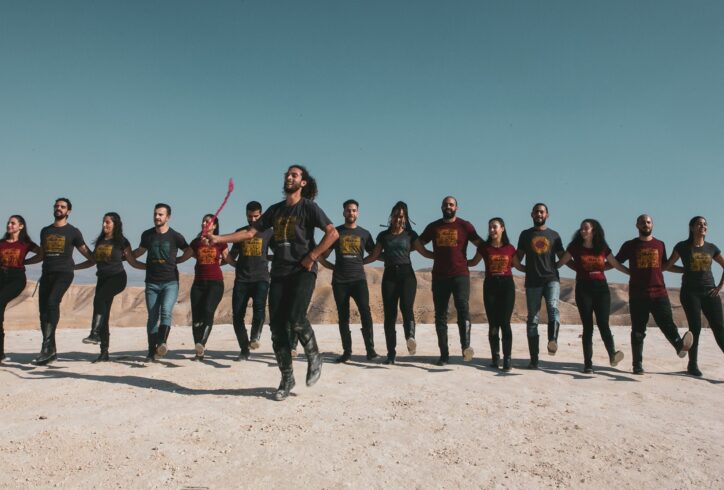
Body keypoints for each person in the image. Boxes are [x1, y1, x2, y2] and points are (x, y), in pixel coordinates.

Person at [210, 165, 338, 401]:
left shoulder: (308, 207)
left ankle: (314, 356)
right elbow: (250, 233)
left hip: (302, 271)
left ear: (303, 183)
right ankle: (286, 378)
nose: (289, 177)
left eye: (294, 175)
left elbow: (332, 233)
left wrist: (311, 256)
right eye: (287, 174)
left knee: (296, 317)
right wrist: (219, 238)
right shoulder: (275, 210)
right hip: (278, 273)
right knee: (277, 330)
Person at [615, 214, 693, 374]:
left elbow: (665, 266)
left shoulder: (660, 244)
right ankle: (637, 365)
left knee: (667, 324)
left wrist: (685, 270)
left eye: (648, 222)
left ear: (652, 225)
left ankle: (679, 347)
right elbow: (615, 261)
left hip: (659, 292)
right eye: (642, 222)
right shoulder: (630, 245)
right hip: (638, 294)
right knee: (638, 331)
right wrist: (624, 271)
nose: (646, 224)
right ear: (637, 225)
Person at [556, 219, 628, 373]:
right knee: (587, 326)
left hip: (601, 290)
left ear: (593, 231)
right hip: (583, 289)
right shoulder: (575, 247)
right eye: (581, 228)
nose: (582, 231)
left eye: (586, 228)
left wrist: (630, 273)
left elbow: (614, 264)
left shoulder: (602, 247)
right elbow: (562, 262)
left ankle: (612, 355)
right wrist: (549, 268)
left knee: (603, 324)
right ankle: (588, 363)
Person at [26, 198, 93, 365]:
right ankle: (51, 352)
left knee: (51, 303)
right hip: (46, 274)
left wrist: (76, 267)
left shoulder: (73, 232)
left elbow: (89, 255)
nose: (59, 208)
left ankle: (45, 347)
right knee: (43, 313)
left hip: (64, 274)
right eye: (56, 206)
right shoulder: (45, 231)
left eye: (62, 207)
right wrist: (24, 262)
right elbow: (41, 255)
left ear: (68, 211)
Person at [418, 196, 482, 366]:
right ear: (441, 207)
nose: (448, 207)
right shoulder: (434, 226)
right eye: (446, 204)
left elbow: (481, 244)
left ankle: (466, 347)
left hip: (460, 275)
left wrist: (474, 262)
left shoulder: (465, 225)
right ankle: (444, 354)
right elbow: (418, 244)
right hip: (439, 276)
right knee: (440, 315)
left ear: (457, 208)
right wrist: (430, 255)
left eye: (451, 204)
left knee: (463, 308)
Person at [365, 201, 431, 365]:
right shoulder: (383, 236)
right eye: (395, 215)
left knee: (406, 307)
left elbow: (423, 252)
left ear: (406, 218)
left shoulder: (410, 235)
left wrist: (444, 256)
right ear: (391, 216)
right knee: (390, 314)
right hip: (389, 276)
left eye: (401, 216)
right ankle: (391, 353)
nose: (398, 219)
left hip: (407, 274)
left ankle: (410, 337)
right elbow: (374, 255)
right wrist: (358, 262)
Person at [75, 213, 144, 362]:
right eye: (103, 222)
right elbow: (92, 260)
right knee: (103, 313)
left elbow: (132, 261)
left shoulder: (122, 242)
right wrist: (74, 267)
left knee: (99, 299)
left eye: (107, 222)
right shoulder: (100, 241)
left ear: (115, 224)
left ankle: (94, 333)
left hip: (117, 278)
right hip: (102, 278)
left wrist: (150, 267)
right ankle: (104, 351)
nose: (104, 225)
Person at [664, 216, 724, 376]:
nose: (702, 226)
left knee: (719, 328)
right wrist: (683, 270)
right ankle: (692, 365)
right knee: (695, 328)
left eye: (705, 224)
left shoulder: (712, 248)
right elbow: (667, 266)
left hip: (710, 292)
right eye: (699, 224)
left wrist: (719, 286)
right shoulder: (682, 246)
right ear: (691, 227)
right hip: (690, 293)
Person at [320, 199, 378, 363]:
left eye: (353, 210)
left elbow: (374, 253)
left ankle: (371, 350)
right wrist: (332, 267)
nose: (351, 213)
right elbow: (321, 255)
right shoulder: (336, 233)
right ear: (343, 212)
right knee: (343, 316)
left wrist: (362, 262)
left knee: (365, 313)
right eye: (348, 210)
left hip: (358, 280)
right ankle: (347, 351)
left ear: (357, 213)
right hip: (340, 281)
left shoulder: (365, 234)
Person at [132, 203, 190, 362]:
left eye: (161, 214)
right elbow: (139, 252)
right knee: (152, 316)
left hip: (170, 282)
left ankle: (162, 342)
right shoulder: (147, 235)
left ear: (168, 217)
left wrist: (177, 260)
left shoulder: (175, 236)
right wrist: (126, 256)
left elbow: (189, 250)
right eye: (155, 214)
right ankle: (151, 352)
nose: (157, 217)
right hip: (151, 282)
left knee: (166, 311)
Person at [468, 217, 524, 371]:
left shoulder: (510, 248)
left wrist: (536, 269)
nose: (492, 230)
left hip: (506, 286)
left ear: (502, 228)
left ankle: (507, 358)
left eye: (495, 227)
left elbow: (518, 266)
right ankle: (495, 357)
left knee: (505, 323)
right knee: (493, 324)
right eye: (490, 227)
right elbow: (473, 262)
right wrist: (457, 261)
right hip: (490, 286)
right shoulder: (485, 248)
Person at [516, 203, 565, 369]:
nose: (539, 214)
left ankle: (553, 340)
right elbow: (518, 257)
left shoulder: (554, 235)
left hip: (551, 279)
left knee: (553, 307)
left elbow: (562, 256)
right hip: (532, 281)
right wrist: (523, 269)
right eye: (536, 212)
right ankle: (534, 359)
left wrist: (556, 267)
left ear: (547, 215)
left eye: (542, 212)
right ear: (531, 214)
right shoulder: (525, 235)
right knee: (533, 318)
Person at [227, 201, 273, 361]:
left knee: (259, 310)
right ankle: (244, 349)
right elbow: (232, 256)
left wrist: (269, 260)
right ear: (246, 215)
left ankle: (255, 337)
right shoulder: (239, 232)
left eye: (256, 216)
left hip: (261, 278)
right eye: (249, 216)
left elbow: (279, 252)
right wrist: (224, 255)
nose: (253, 220)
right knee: (237, 316)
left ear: (261, 215)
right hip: (242, 279)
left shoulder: (268, 232)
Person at [179, 214, 228, 361]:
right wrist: (168, 262)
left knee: (208, 310)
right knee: (197, 317)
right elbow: (183, 258)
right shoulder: (196, 242)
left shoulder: (220, 242)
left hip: (215, 283)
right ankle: (198, 350)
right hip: (198, 283)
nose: (204, 223)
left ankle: (202, 343)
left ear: (214, 226)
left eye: (208, 221)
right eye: (203, 221)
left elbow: (228, 259)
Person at [0, 215, 41, 362]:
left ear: (21, 226)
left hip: (16, 278)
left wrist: (26, 261)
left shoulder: (26, 243)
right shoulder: (1, 243)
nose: (9, 225)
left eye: (13, 223)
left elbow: (41, 254)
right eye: (8, 223)